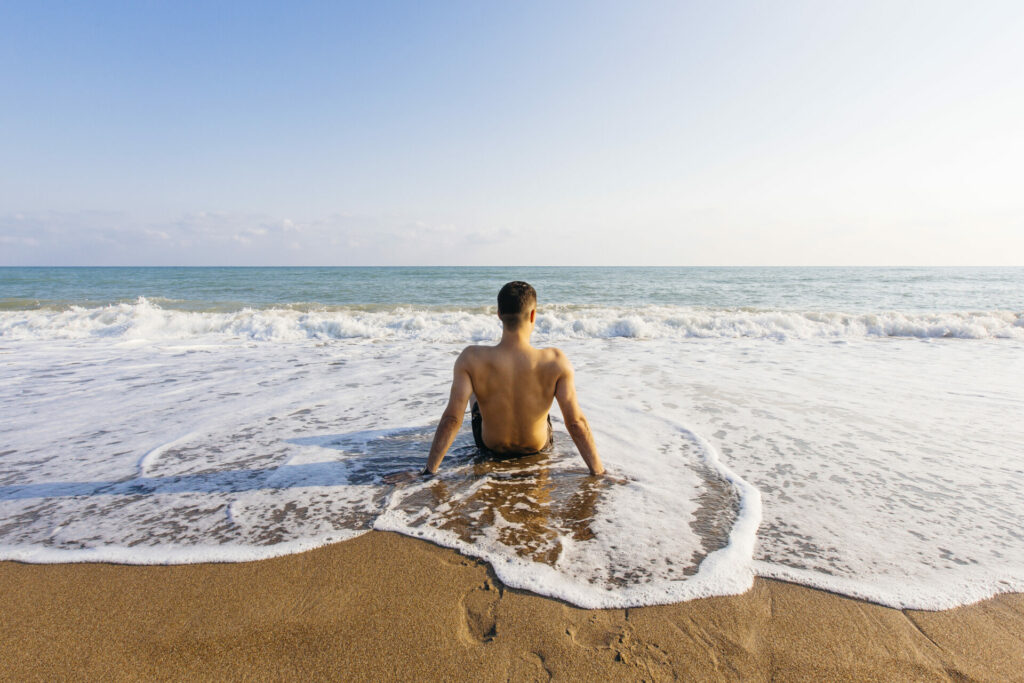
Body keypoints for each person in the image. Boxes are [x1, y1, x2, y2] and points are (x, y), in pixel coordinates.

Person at [420, 281, 605, 477]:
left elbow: (452, 419)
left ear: (499, 314)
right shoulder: (556, 361)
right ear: (533, 315)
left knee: (474, 391)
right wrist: (599, 472)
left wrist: (428, 471)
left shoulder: (471, 359)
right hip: (537, 447)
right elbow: (575, 422)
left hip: (490, 447)